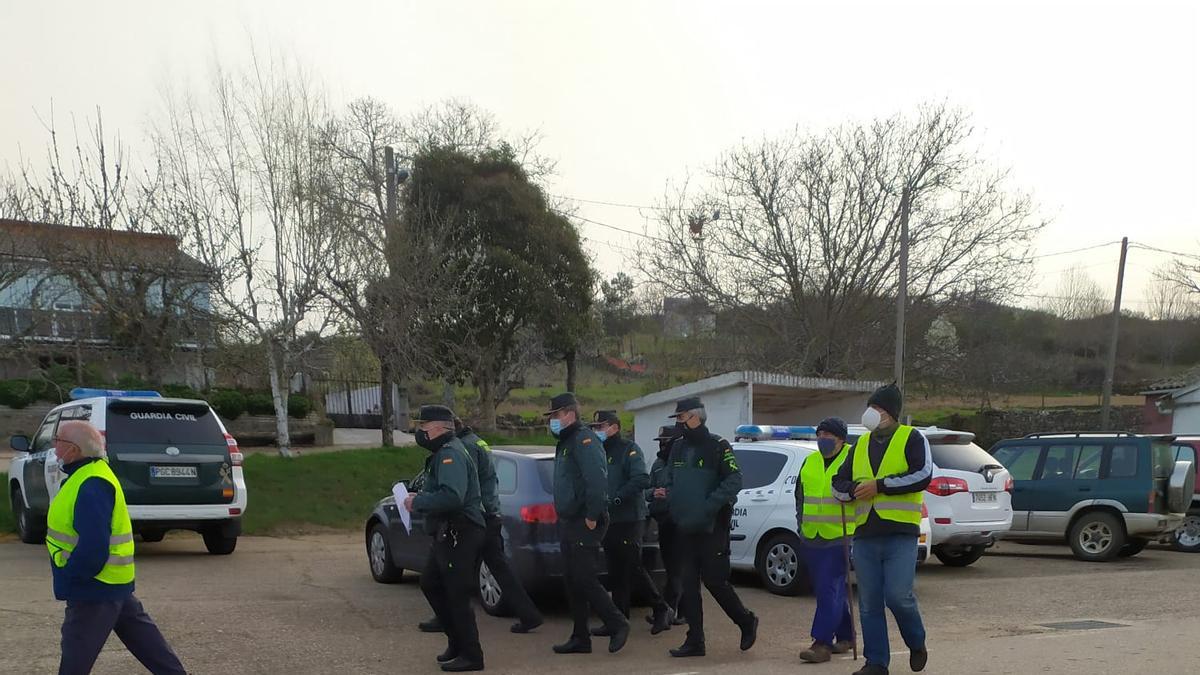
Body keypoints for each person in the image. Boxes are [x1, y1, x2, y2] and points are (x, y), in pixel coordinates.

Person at [45, 420, 186, 675]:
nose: (54, 449)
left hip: (94, 587)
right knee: (150, 646)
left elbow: (94, 547)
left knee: (76, 655)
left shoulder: (91, 483)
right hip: (114, 584)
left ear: (73, 450)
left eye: (58, 443)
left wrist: (72, 576)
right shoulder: (92, 474)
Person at [832, 384, 931, 675]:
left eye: (879, 409)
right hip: (865, 535)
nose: (873, 414)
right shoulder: (859, 445)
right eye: (871, 408)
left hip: (900, 533)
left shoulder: (912, 438)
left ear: (891, 413)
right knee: (869, 604)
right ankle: (876, 662)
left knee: (899, 596)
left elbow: (922, 475)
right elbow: (838, 483)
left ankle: (916, 641)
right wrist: (852, 491)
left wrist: (880, 486)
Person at [418, 418, 544, 636]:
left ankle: (448, 619)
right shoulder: (477, 442)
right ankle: (528, 614)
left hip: (478, 517)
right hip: (490, 513)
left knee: (450, 573)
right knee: (499, 568)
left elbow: (463, 485)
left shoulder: (461, 448)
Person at [661, 396, 758, 658]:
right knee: (688, 585)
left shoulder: (718, 445)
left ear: (696, 417)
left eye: (681, 418)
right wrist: (673, 499)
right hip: (685, 526)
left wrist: (708, 505)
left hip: (712, 526)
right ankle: (695, 640)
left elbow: (734, 479)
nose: (679, 423)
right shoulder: (678, 447)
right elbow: (669, 477)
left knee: (715, 581)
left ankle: (746, 620)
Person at [544, 393, 629, 655]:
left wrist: (592, 515)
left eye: (555, 416)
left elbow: (596, 481)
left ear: (569, 414)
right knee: (572, 580)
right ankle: (580, 637)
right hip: (570, 519)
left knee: (584, 577)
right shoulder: (567, 442)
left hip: (586, 520)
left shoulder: (584, 440)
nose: (552, 422)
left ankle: (617, 623)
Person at [405, 405, 487, 672]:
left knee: (457, 594)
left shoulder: (451, 454)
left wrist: (419, 502)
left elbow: (453, 496)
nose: (420, 432)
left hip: (460, 532)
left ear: (440, 428)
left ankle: (472, 655)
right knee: (431, 583)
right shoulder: (443, 453)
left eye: (424, 427)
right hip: (446, 532)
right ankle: (457, 642)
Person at [588, 410, 672, 634]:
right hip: (610, 520)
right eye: (595, 427)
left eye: (601, 426)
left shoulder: (629, 449)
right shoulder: (598, 452)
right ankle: (618, 619)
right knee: (616, 571)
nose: (598, 431)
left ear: (614, 427)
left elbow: (641, 479)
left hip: (630, 518)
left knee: (633, 566)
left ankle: (661, 608)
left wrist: (617, 497)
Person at [794, 417, 856, 663]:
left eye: (828, 435)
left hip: (841, 534)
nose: (822, 440)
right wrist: (800, 524)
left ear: (841, 438)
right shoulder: (810, 461)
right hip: (812, 535)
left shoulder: (853, 460)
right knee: (828, 588)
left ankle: (821, 643)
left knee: (828, 588)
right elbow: (800, 495)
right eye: (819, 434)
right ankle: (846, 635)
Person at [647, 424, 686, 627]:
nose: (662, 445)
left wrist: (669, 494)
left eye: (665, 442)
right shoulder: (657, 464)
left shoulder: (681, 462)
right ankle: (672, 610)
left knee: (677, 570)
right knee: (671, 569)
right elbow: (647, 488)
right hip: (661, 520)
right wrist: (654, 492)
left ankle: (672, 611)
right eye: (660, 442)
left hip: (678, 520)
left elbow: (685, 490)